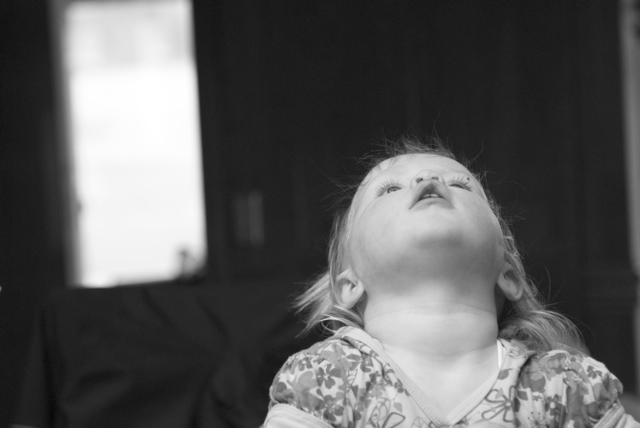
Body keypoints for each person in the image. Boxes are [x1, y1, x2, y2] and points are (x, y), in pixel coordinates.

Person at [263, 137, 639, 428]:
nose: (428, 180)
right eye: (390, 189)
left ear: (509, 275)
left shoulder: (567, 386)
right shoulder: (326, 379)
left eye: (460, 185)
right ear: (350, 285)